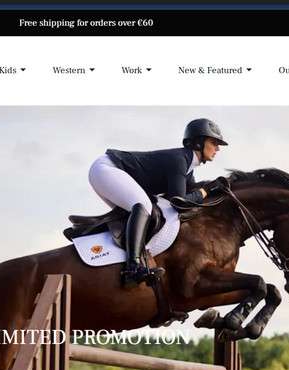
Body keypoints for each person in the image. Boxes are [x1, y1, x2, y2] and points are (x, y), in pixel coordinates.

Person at [88, 118, 227, 287]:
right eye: (214, 143)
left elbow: (192, 194)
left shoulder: (187, 168)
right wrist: (206, 191)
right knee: (143, 206)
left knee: (143, 214)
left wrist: (214, 188)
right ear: (198, 142)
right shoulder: (179, 160)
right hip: (107, 168)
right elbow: (179, 202)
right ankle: (132, 269)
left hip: (106, 171)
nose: (217, 148)